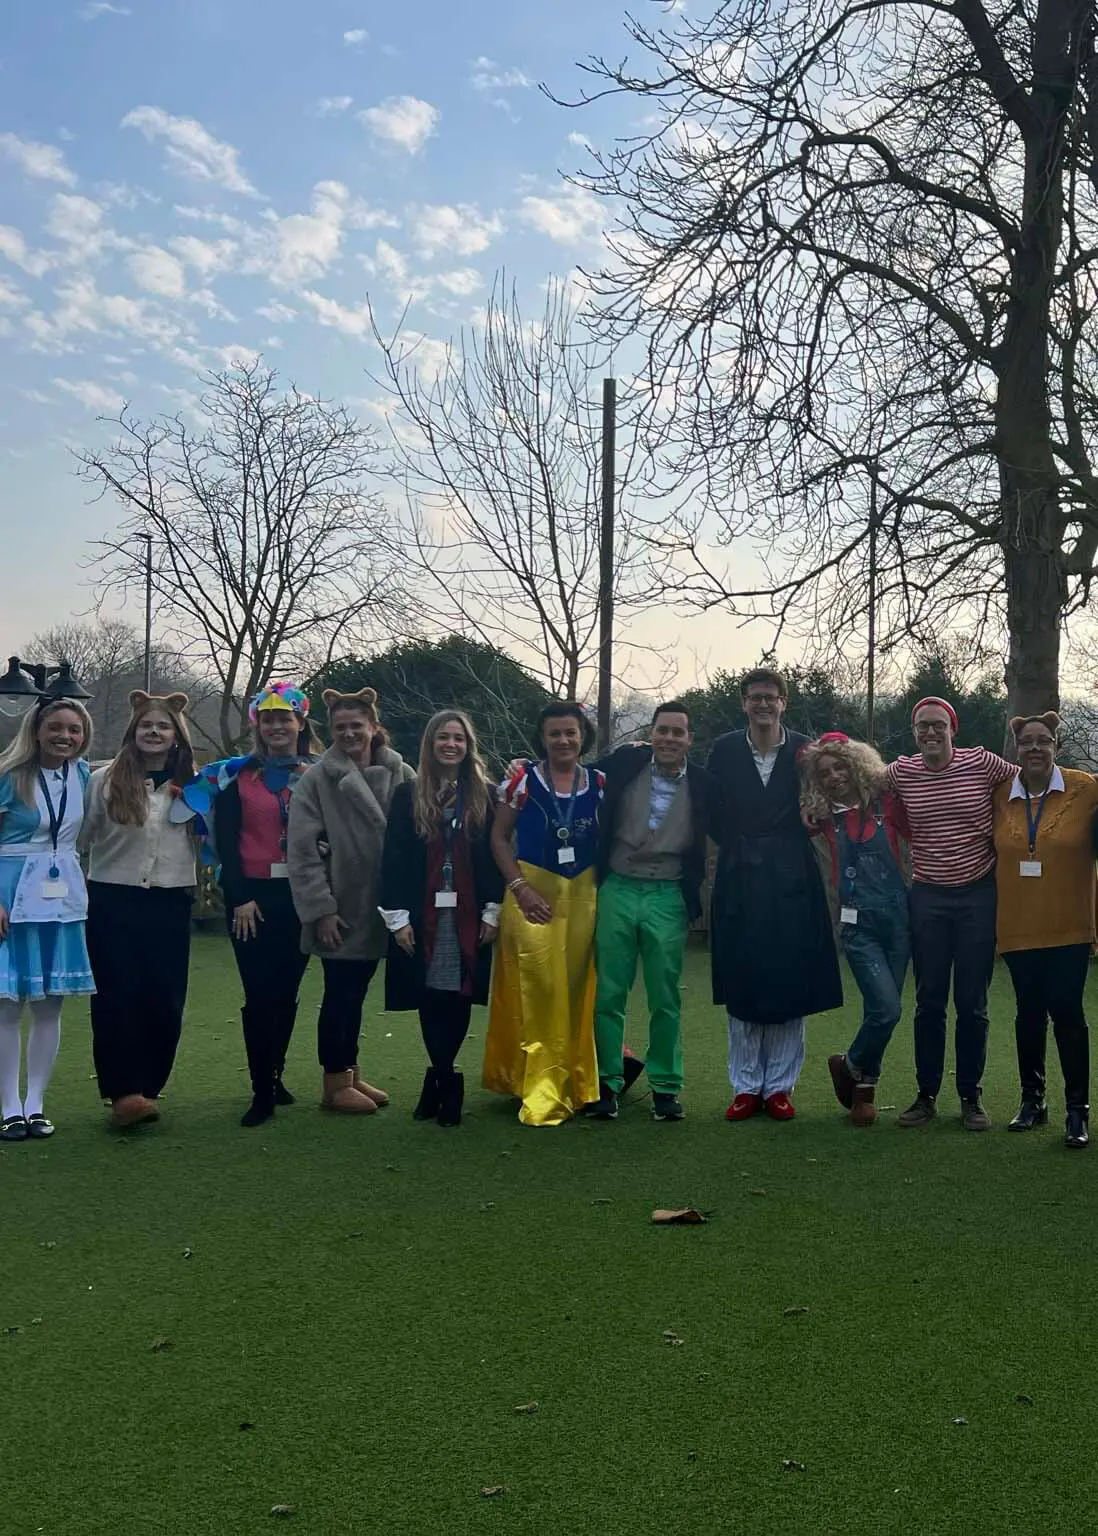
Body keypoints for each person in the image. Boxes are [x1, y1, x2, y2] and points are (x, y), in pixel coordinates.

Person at [708, 669, 842, 1121]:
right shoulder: (724, 750)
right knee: (743, 974)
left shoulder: (807, 749)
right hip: (740, 870)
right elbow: (711, 811)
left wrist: (812, 813)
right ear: (744, 703)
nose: (763, 705)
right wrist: (741, 845)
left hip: (792, 872)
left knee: (790, 975)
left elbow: (832, 792)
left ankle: (780, 1089)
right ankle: (746, 1088)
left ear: (784, 702)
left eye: (771, 698)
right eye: (755, 698)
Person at [187, 681, 323, 1127]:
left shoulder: (319, 775)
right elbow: (226, 838)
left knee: (287, 992)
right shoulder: (235, 776)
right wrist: (240, 896)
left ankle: (277, 1073)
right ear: (257, 726)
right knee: (260, 993)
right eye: (269, 719)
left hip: (301, 896)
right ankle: (260, 1089)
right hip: (251, 899)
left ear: (300, 723)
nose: (277, 726)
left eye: (285, 717)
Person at [886, 697, 1015, 1131]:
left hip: (979, 893)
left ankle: (970, 1097)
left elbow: (1031, 781)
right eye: (922, 726)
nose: (930, 732)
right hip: (928, 897)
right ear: (914, 731)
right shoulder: (904, 772)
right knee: (929, 1002)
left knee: (972, 1004)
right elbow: (857, 782)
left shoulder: (981, 763)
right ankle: (926, 1095)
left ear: (952, 729)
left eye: (938, 725)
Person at [588, 700, 719, 1122]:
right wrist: (524, 767)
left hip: (668, 893)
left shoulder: (702, 784)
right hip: (618, 887)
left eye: (677, 732)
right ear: (651, 732)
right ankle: (606, 1084)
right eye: (662, 730)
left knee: (665, 996)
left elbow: (737, 822)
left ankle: (666, 1086)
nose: (669, 739)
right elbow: (574, 769)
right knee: (609, 992)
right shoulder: (625, 765)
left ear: (689, 740)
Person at [287, 687, 414, 1116]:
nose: (348, 733)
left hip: (388, 904)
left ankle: (352, 1073)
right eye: (340, 727)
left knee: (357, 993)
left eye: (356, 725)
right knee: (341, 992)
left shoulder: (401, 772)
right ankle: (334, 1080)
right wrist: (321, 909)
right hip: (342, 906)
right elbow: (302, 851)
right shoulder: (316, 779)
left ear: (373, 727)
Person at [378, 710, 502, 1127]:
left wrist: (493, 909)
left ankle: (441, 1080)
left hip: (468, 913)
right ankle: (446, 1079)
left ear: (469, 746)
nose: (451, 744)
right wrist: (397, 918)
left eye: (459, 738)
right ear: (430, 745)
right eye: (442, 738)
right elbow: (393, 859)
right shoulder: (407, 793)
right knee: (430, 993)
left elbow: (492, 858)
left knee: (459, 991)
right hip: (421, 912)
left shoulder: (487, 793)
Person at [82, 691, 199, 1129]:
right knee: (116, 996)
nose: (154, 731)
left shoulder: (194, 783)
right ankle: (123, 1092)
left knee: (165, 997)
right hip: (113, 897)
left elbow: (219, 837)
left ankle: (149, 1086)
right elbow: (80, 838)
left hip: (171, 897)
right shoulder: (104, 780)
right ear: (133, 731)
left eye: (163, 725)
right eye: (146, 725)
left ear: (175, 735)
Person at [484, 702, 603, 1125]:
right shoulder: (522, 781)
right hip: (533, 894)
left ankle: (576, 1082)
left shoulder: (600, 782)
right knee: (538, 989)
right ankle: (539, 1088)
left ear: (582, 735)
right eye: (554, 734)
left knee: (574, 990)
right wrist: (520, 888)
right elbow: (499, 839)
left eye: (570, 733)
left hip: (584, 897)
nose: (563, 741)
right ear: (542, 738)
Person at [993, 713, 1098, 1149]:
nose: (1035, 748)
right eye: (1027, 741)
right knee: (1028, 1015)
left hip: (1069, 924)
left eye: (1044, 741)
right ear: (1017, 748)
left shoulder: (1086, 788)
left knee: (1069, 1015)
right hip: (1018, 925)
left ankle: (1078, 1110)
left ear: (1056, 744)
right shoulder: (1001, 794)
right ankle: (1032, 1101)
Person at [802, 732, 912, 1127]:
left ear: (857, 765)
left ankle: (863, 1092)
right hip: (855, 923)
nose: (834, 776)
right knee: (887, 1008)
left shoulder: (890, 805)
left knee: (880, 1010)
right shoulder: (818, 819)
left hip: (899, 920)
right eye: (824, 771)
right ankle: (849, 1064)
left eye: (840, 766)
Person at [0, 696, 95, 1141]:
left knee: (48, 1005)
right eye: (56, 727)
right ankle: (8, 1106)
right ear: (36, 731)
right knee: (6, 1006)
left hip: (59, 896)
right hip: (10, 893)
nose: (65, 736)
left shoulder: (80, 774)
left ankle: (35, 1104)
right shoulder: (8, 776)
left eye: (74, 729)